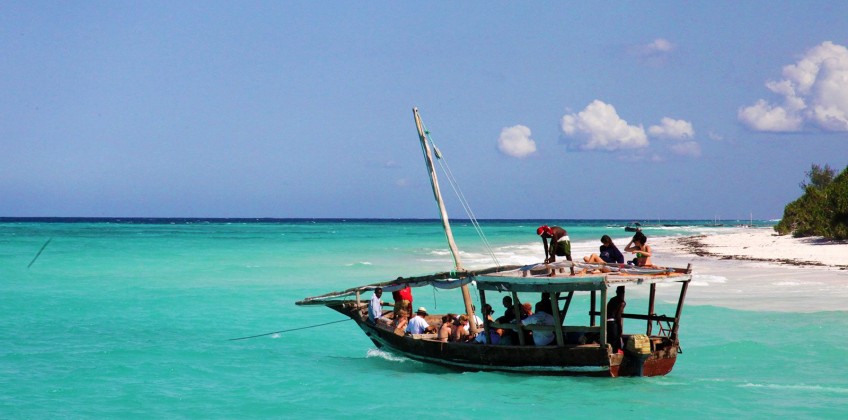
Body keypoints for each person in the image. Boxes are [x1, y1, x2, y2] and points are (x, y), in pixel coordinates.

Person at [606, 286, 626, 353]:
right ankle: (614, 355)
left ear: (616, 292)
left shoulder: (612, 299)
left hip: (606, 322)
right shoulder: (622, 302)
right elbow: (618, 316)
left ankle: (609, 353)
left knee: (609, 340)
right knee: (614, 340)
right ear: (623, 293)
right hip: (612, 323)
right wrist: (620, 328)